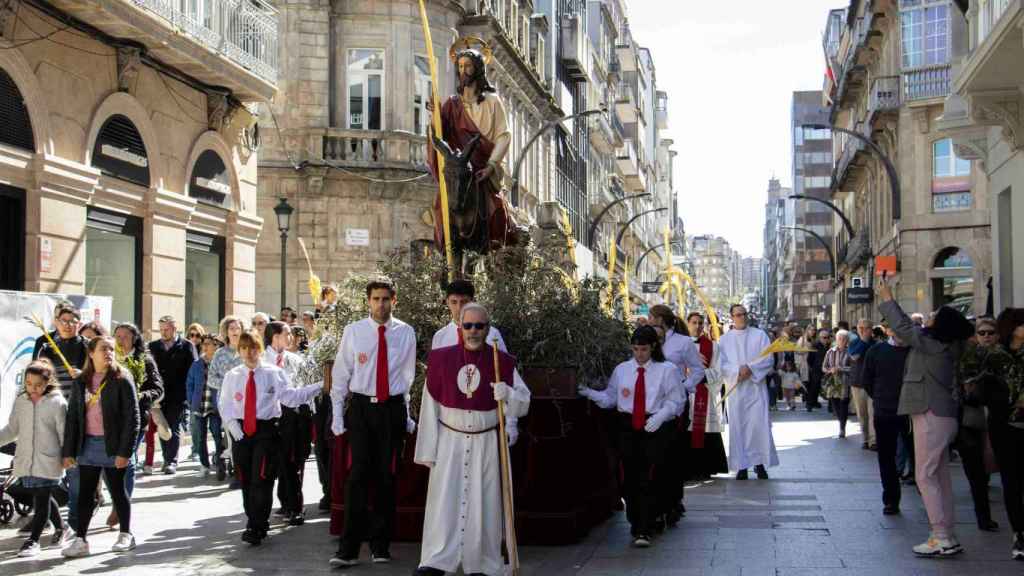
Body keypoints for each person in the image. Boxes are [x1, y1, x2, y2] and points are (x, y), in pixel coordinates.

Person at [413, 303, 530, 575]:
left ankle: (480, 561)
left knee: (484, 505)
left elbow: (524, 403)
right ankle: (437, 560)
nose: (473, 331)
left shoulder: (502, 361)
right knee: (444, 504)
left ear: (488, 329)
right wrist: (428, 451)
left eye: (479, 326)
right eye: (468, 326)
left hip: (486, 444)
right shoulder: (441, 359)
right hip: (449, 443)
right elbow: (430, 406)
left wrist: (508, 395)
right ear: (460, 328)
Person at [878, 276, 973, 557]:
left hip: (931, 413)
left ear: (940, 326)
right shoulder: (946, 346)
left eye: (933, 316)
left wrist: (886, 295)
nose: (928, 316)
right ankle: (947, 533)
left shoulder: (933, 345)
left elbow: (903, 327)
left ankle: (940, 536)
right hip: (943, 415)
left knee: (925, 475)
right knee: (939, 475)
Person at [329, 279, 417, 567]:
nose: (381, 304)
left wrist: (405, 414)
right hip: (362, 410)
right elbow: (341, 374)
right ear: (368, 301)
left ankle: (381, 546)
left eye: (385, 299)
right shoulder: (354, 332)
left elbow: (407, 377)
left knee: (386, 478)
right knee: (357, 478)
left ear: (394, 300)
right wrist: (338, 415)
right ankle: (348, 550)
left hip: (391, 410)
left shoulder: (405, 333)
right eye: (376, 299)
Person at [579, 325, 682, 547]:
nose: (639, 354)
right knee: (629, 477)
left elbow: (677, 401)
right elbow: (611, 398)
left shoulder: (667, 370)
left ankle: (644, 527)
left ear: (653, 347)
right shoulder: (622, 370)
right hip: (627, 426)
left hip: (654, 425)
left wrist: (661, 415)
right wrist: (590, 393)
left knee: (649, 476)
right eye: (635, 349)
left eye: (643, 349)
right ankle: (637, 521)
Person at [218, 332, 324, 546]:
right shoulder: (233, 375)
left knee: (262, 479)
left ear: (260, 349)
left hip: (266, 431)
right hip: (241, 432)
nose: (250, 353)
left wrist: (320, 385)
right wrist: (232, 426)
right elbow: (225, 404)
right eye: (245, 348)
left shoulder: (273, 373)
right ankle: (253, 519)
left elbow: (291, 397)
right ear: (239, 351)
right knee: (247, 481)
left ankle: (257, 526)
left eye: (254, 348)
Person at [426, 44, 516, 252]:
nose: (463, 71)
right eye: (460, 66)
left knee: (496, 209)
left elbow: (504, 135)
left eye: (467, 66)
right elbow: (439, 137)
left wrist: (492, 165)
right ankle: (445, 250)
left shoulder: (493, 102)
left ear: (477, 69)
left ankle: (498, 249)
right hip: (458, 171)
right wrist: (435, 117)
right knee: (442, 206)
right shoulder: (452, 104)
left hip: (482, 170)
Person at [61, 336, 140, 557]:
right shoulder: (81, 382)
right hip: (87, 445)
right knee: (85, 494)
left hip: (112, 446)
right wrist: (68, 451)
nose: (109, 353)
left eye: (112, 349)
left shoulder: (122, 378)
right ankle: (81, 540)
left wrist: (125, 451)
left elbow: (132, 418)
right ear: (91, 353)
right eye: (103, 349)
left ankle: (126, 534)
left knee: (117, 491)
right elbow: (73, 418)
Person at [0, 360, 68, 557]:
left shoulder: (57, 403)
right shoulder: (21, 401)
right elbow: (12, 429)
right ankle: (61, 528)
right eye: (29, 383)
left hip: (49, 460)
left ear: (48, 382)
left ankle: (33, 541)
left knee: (41, 498)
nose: (33, 388)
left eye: (38, 384)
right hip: (27, 459)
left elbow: (63, 433)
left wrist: (67, 456)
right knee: (41, 497)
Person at [647, 304, 704, 525]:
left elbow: (697, 370)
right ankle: (657, 503)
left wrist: (685, 386)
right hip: (652, 403)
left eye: (652, 317)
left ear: (661, 319)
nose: (649, 320)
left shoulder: (683, 342)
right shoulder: (650, 339)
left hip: (675, 404)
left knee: (673, 452)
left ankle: (673, 500)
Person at [956, 317, 1006, 531]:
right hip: (972, 420)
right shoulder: (968, 357)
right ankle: (983, 517)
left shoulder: (1005, 357)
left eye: (990, 332)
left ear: (998, 334)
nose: (986, 336)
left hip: (1002, 420)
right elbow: (961, 388)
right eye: (982, 333)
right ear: (975, 336)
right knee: (977, 473)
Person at [263, 321, 313, 526]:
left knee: (293, 462)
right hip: (269, 417)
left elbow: (304, 385)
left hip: (294, 415)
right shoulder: (262, 360)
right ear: (274, 336)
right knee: (274, 464)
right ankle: (266, 510)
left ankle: (294, 506)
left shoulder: (295, 359)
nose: (291, 338)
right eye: (287, 334)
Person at [719, 304, 777, 480]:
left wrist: (750, 368)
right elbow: (720, 363)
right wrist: (738, 370)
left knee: (757, 426)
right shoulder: (724, 340)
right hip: (736, 390)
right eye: (737, 315)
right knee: (738, 427)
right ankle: (741, 466)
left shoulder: (760, 336)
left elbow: (768, 358)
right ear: (731, 317)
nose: (741, 317)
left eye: (743, 314)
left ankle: (760, 465)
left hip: (755, 388)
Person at [863, 324, 912, 515]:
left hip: (911, 411)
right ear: (889, 331)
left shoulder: (915, 351)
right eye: (896, 329)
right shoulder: (876, 351)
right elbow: (867, 380)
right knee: (886, 457)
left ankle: (927, 497)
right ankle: (891, 500)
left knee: (918, 456)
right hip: (885, 411)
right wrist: (880, 397)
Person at [112, 323, 163, 503]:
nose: (120, 340)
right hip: (111, 420)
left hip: (136, 418)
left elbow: (158, 389)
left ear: (134, 339)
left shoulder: (144, 360)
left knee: (128, 458)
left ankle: (122, 503)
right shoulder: (109, 359)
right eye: (117, 336)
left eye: (125, 337)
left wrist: (138, 396)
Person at [148, 315, 198, 474]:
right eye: (161, 329)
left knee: (174, 425)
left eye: (167, 329)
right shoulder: (153, 346)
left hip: (178, 394)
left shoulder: (187, 346)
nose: (163, 333)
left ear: (175, 329)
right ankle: (166, 458)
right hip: (159, 394)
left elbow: (193, 371)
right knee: (163, 426)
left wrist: (190, 394)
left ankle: (172, 461)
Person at [993, 308, 1024, 560]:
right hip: (1005, 427)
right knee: (1011, 482)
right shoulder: (996, 357)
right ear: (1012, 327)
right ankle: (1019, 533)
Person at [685, 312, 728, 479]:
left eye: (700, 323)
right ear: (688, 324)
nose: (697, 326)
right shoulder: (680, 346)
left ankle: (705, 467)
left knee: (704, 429)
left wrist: (703, 375)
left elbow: (719, 370)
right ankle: (687, 468)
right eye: (694, 322)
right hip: (685, 393)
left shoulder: (713, 346)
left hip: (703, 391)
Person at [208, 316, 245, 489]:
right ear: (226, 332)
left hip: (246, 400)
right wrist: (227, 384)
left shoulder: (248, 350)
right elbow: (211, 378)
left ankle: (243, 470)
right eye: (231, 328)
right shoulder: (220, 353)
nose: (235, 331)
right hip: (226, 401)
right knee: (231, 435)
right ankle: (237, 472)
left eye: (237, 328)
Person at [187, 334, 225, 479]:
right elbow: (189, 383)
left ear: (216, 346)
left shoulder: (220, 362)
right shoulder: (197, 363)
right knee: (200, 437)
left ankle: (220, 463)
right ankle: (204, 465)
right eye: (204, 344)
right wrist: (191, 400)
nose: (205, 346)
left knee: (216, 435)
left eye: (209, 344)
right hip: (200, 405)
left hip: (215, 406)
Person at [37, 303, 88, 399]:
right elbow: (38, 377)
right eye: (63, 321)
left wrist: (84, 375)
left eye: (73, 321)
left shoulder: (89, 346)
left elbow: (100, 374)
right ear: (56, 322)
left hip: (81, 402)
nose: (68, 325)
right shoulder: (47, 348)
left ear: (80, 324)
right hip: (54, 402)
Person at [849, 319, 878, 450]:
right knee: (862, 414)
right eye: (859, 327)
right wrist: (863, 341)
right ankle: (865, 439)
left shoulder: (876, 344)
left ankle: (873, 441)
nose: (861, 330)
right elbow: (854, 356)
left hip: (873, 384)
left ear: (870, 330)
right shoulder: (854, 343)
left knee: (873, 413)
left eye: (865, 328)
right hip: (858, 383)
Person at [823, 330, 853, 439]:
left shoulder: (850, 352)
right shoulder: (830, 352)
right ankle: (841, 422)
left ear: (847, 341)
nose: (842, 341)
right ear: (836, 340)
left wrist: (840, 369)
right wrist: (830, 370)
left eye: (844, 339)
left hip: (845, 382)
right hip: (833, 383)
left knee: (844, 404)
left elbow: (853, 368)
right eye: (839, 339)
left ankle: (842, 428)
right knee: (835, 405)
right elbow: (824, 367)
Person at [806, 329, 831, 412]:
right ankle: (810, 404)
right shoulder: (815, 345)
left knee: (829, 387)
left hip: (827, 369)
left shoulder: (829, 346)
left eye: (828, 337)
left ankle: (830, 407)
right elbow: (810, 358)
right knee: (814, 386)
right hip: (817, 369)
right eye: (824, 337)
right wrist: (813, 367)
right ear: (820, 338)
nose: (826, 339)